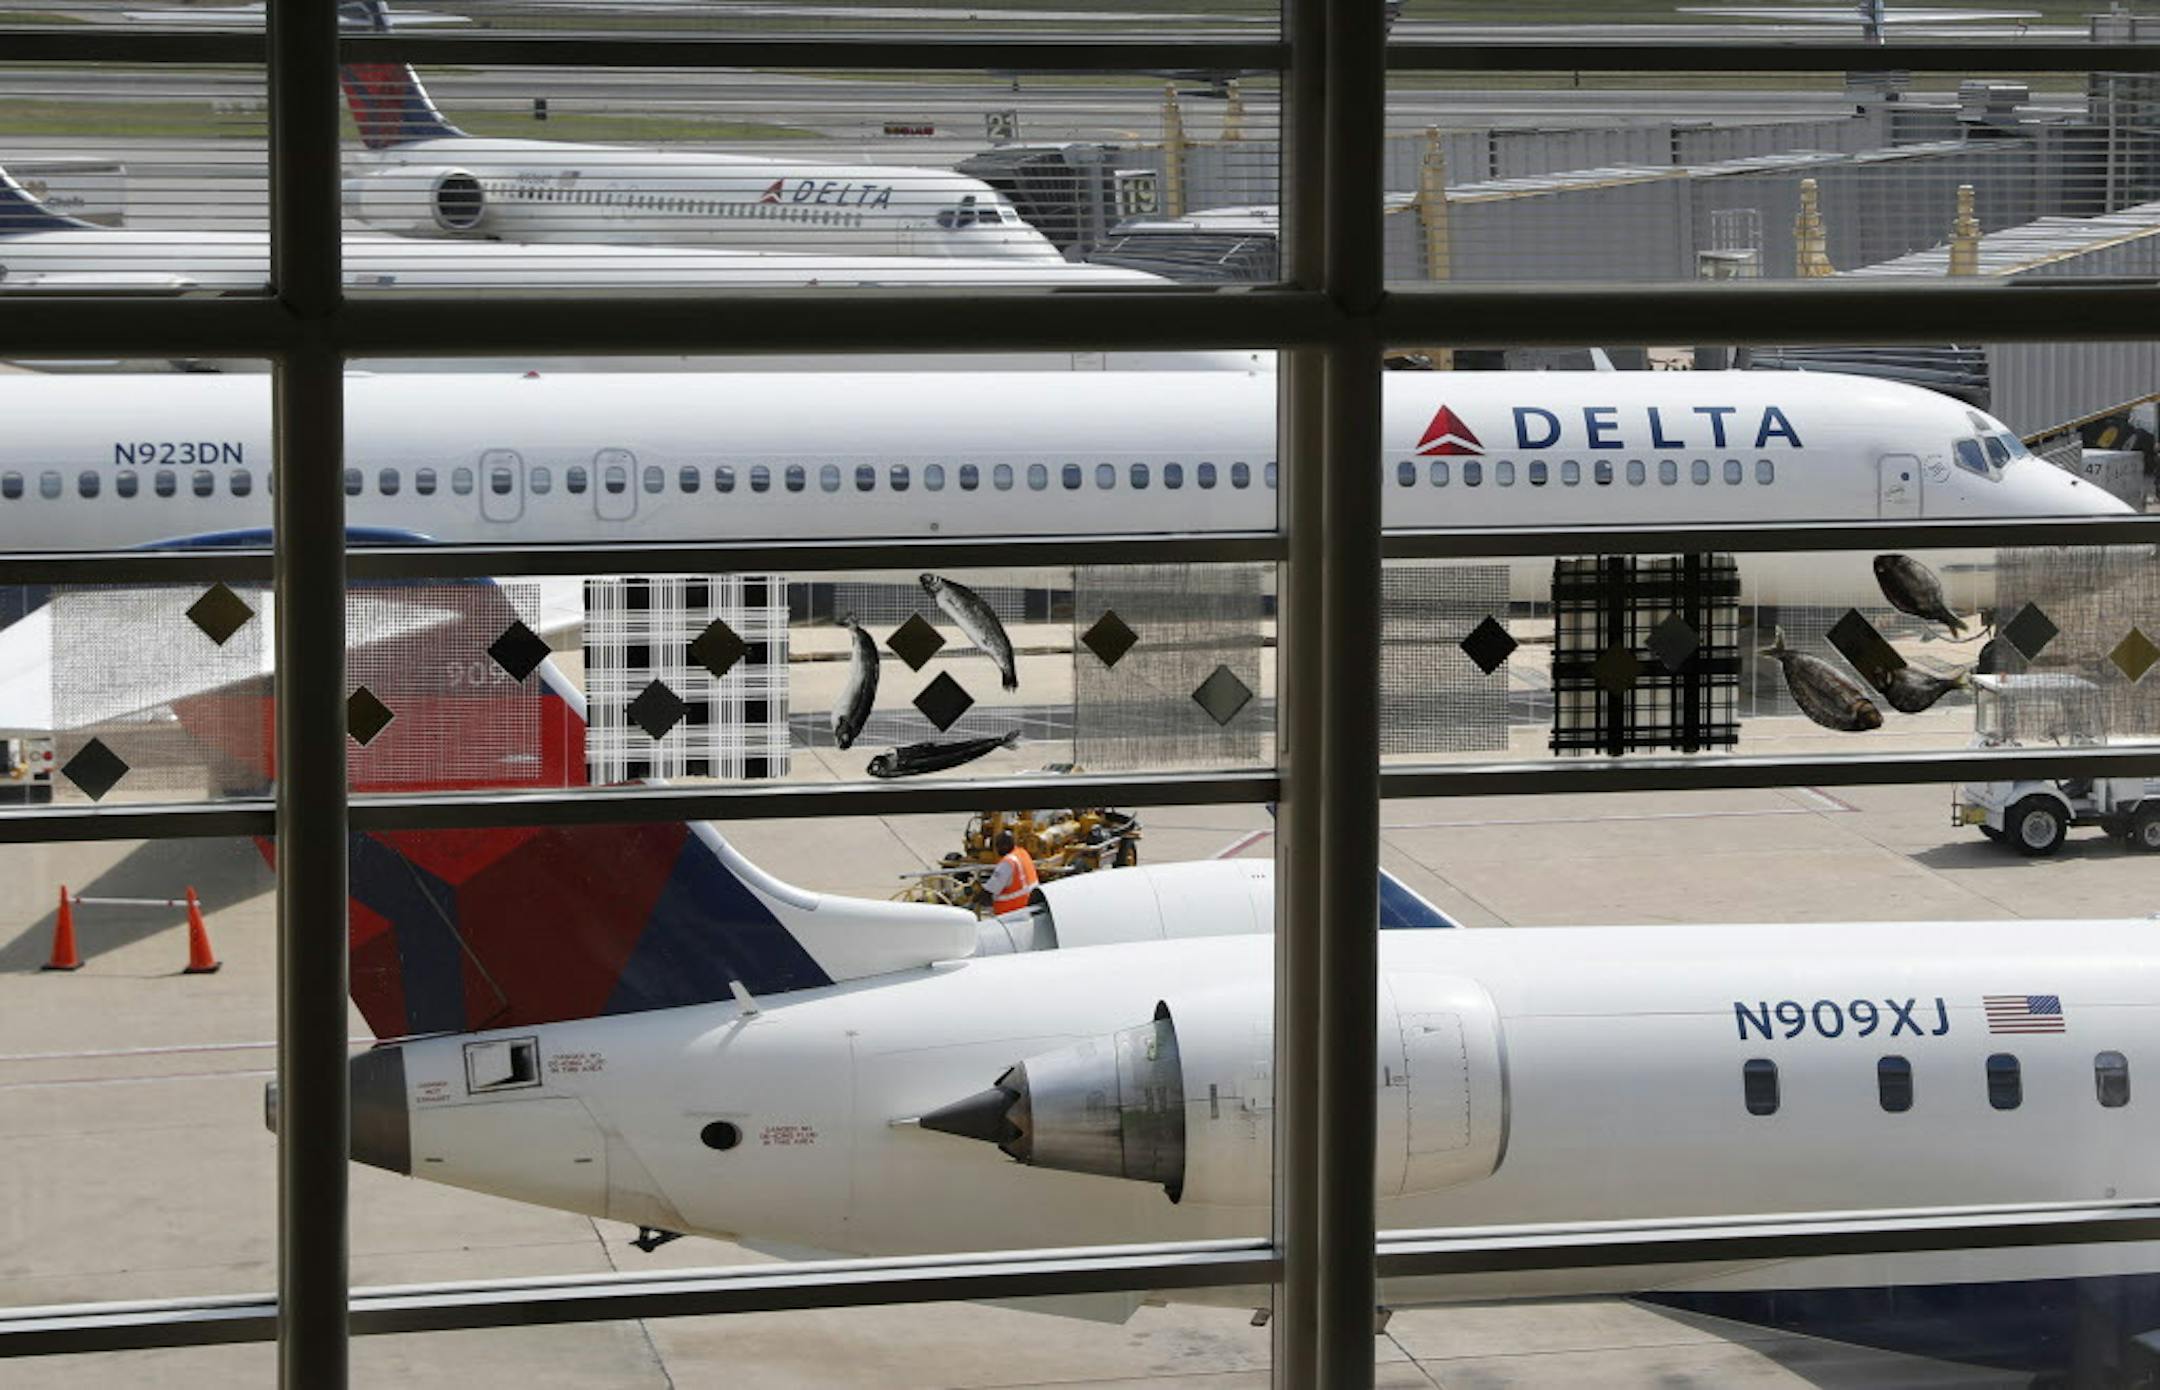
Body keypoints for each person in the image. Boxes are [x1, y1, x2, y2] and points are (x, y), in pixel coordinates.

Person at [982, 827, 1039, 916]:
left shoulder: (1008, 863)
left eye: (997, 846)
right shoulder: (1023, 853)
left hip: (1011, 913)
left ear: (1003, 846)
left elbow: (990, 890)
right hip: (1029, 908)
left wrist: (975, 899)